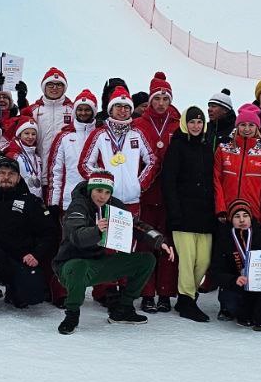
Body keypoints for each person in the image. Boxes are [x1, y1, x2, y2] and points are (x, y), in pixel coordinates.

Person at [53, 171, 174, 333]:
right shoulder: (78, 206)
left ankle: (124, 309)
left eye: (107, 192)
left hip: (98, 264)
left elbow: (135, 225)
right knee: (79, 265)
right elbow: (75, 236)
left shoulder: (114, 205)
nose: (102, 196)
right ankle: (72, 314)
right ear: (90, 190)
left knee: (146, 260)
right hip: (70, 266)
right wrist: (96, 231)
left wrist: (160, 241)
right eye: (99, 191)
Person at [0, 157, 54, 314]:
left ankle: (14, 291)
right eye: (2, 173)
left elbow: (48, 234)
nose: (6, 177)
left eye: (11, 174)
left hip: (19, 260)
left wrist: (36, 254)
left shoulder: (31, 202)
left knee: (33, 296)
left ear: (19, 177)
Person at [160, 105, 216, 322]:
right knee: (187, 259)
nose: (196, 125)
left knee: (203, 261)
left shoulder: (206, 147)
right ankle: (186, 299)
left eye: (200, 122)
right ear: (185, 123)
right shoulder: (177, 147)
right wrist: (174, 212)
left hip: (204, 214)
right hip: (183, 214)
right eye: (192, 121)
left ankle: (189, 295)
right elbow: (169, 182)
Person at [132, 72, 181, 312]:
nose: (161, 103)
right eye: (157, 99)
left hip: (170, 195)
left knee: (169, 244)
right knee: (146, 243)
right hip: (146, 194)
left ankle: (165, 292)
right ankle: (147, 292)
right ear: (150, 101)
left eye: (165, 98)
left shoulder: (177, 124)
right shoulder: (139, 124)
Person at [211, 199, 261, 331]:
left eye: (245, 216)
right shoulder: (224, 240)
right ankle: (242, 314)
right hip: (238, 287)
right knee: (232, 303)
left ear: (251, 218)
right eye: (237, 216)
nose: (242, 220)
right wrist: (234, 280)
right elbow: (216, 272)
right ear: (230, 219)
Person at [79, 86, 156, 211]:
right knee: (105, 231)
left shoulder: (138, 134)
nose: (122, 110)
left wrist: (139, 184)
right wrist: (101, 183)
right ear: (111, 110)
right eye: (118, 106)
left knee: (132, 231)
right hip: (106, 200)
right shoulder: (99, 134)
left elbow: (152, 160)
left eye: (126, 107)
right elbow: (84, 164)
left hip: (132, 201)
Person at [213, 103, 261, 228]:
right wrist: (220, 209)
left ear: (257, 127)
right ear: (237, 126)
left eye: (251, 125)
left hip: (254, 215)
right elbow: (217, 181)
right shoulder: (223, 149)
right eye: (243, 124)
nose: (247, 129)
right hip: (227, 214)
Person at [47, 89, 98, 212]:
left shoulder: (100, 134)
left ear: (94, 111)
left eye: (87, 109)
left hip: (97, 198)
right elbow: (56, 171)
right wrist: (53, 202)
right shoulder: (64, 136)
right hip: (70, 198)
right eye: (80, 109)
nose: (83, 113)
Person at [19, 66, 74, 178]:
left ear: (64, 87)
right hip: (39, 167)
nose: (55, 88)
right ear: (44, 87)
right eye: (50, 84)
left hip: (65, 169)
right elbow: (20, 130)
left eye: (59, 84)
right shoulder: (34, 110)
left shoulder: (73, 110)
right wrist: (21, 101)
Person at [4, 120, 45, 199]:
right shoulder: (12, 155)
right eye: (26, 133)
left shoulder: (36, 156)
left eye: (33, 134)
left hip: (36, 200)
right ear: (19, 135)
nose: (30, 137)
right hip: (19, 201)